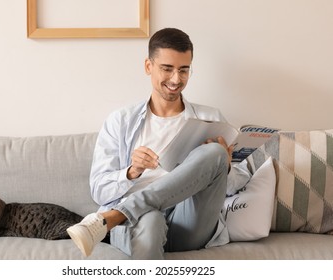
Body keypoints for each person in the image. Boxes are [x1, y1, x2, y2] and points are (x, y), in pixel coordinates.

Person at [67, 27, 232, 259]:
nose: (176, 79)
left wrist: (224, 166)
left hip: (190, 221)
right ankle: (128, 212)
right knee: (151, 217)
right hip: (140, 223)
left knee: (215, 151)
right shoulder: (120, 121)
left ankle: (113, 217)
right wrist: (131, 172)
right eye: (167, 69)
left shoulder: (212, 120)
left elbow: (232, 190)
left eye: (184, 70)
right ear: (148, 66)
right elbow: (98, 191)